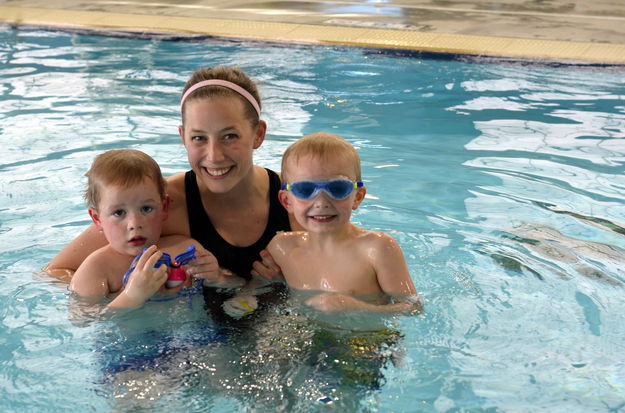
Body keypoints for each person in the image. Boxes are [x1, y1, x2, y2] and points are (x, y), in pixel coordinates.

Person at [45, 67, 292, 315]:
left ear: (258, 134)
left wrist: (289, 278)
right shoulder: (157, 204)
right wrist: (130, 294)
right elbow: (56, 273)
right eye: (199, 138)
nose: (214, 155)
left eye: (229, 136)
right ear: (183, 137)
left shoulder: (295, 198)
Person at [266, 132, 422, 313]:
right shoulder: (282, 247)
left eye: (337, 188)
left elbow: (413, 307)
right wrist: (242, 294)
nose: (322, 202)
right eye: (305, 189)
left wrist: (357, 308)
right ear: (287, 201)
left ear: (357, 196)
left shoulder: (377, 248)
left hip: (367, 336)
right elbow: (261, 285)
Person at [69, 149, 221, 308]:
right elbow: (83, 321)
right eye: (119, 212)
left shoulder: (187, 250)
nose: (134, 223)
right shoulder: (96, 269)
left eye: (146, 209)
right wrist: (132, 296)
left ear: (164, 207)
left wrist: (217, 278)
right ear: (97, 219)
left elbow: (232, 286)